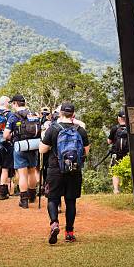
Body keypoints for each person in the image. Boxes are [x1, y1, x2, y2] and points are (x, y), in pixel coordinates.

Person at [40, 102, 90, 244]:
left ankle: (54, 224)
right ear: (73, 114)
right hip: (73, 170)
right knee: (71, 201)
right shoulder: (80, 130)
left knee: (53, 199)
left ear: (60, 113)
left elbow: (42, 150)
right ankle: (69, 232)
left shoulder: (53, 129)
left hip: (55, 169)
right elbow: (86, 151)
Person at [4, 94, 39, 209]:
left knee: (22, 174)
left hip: (20, 146)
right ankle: (33, 196)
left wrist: (12, 138)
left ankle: (24, 201)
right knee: (32, 172)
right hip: (33, 146)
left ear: (15, 103)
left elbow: (6, 135)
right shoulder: (33, 113)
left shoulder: (13, 116)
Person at [108, 110, 129, 194]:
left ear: (119, 118)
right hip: (128, 153)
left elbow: (109, 141)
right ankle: (130, 188)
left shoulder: (115, 128)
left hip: (116, 154)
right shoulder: (131, 128)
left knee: (115, 171)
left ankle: (116, 189)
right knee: (130, 170)